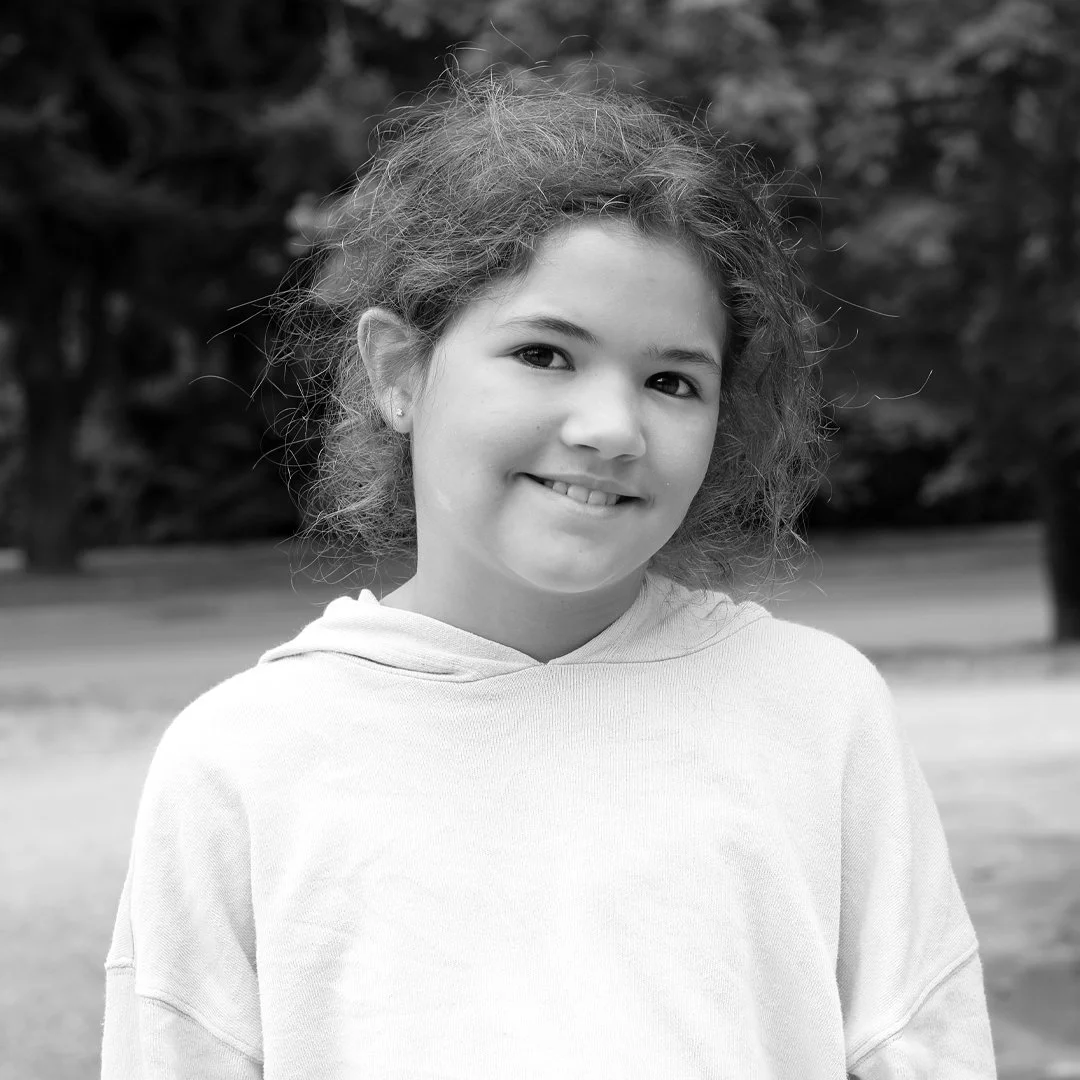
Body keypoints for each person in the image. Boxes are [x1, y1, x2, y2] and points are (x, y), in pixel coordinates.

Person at [100, 67, 997, 1078]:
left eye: (670, 380)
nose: (611, 427)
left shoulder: (819, 715)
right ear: (400, 372)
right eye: (545, 353)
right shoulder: (241, 764)